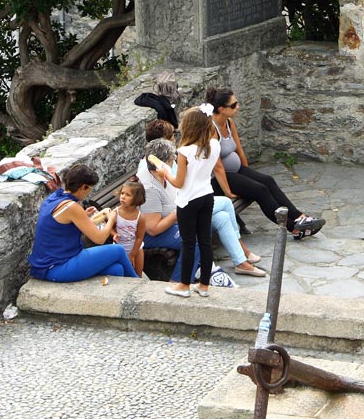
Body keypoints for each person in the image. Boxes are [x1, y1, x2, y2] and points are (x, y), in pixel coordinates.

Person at [205, 87, 326, 239]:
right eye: (234, 105)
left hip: (235, 171)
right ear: (222, 109)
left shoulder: (229, 122)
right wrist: (228, 192)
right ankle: (294, 228)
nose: (238, 107)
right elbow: (217, 166)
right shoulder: (210, 129)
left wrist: (247, 172)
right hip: (218, 179)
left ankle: (299, 217)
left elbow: (239, 150)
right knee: (260, 190)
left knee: (268, 180)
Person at [139, 139, 265, 280]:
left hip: (179, 216)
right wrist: (178, 213)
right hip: (156, 233)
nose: (174, 161)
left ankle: (240, 262)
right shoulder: (150, 188)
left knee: (221, 217)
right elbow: (152, 229)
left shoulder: (163, 173)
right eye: (172, 158)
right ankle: (177, 281)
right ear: (161, 162)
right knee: (195, 238)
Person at [28, 163, 139, 282]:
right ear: (83, 187)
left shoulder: (56, 197)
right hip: (57, 267)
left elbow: (61, 223)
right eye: (89, 189)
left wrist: (84, 215)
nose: (88, 193)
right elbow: (99, 239)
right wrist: (111, 219)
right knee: (119, 250)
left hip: (53, 262)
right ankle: (141, 288)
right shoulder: (72, 207)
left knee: (117, 269)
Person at [157, 105, 226, 298]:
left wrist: (165, 172)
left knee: (188, 243)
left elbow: (179, 183)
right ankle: (204, 285)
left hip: (188, 200)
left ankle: (184, 285)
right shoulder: (214, 146)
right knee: (205, 241)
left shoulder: (185, 151)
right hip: (207, 196)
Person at [112, 181, 146, 278]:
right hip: (119, 248)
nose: (123, 196)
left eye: (128, 195)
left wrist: (132, 255)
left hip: (136, 250)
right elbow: (110, 228)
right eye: (122, 193)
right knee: (122, 274)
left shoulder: (140, 217)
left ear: (136, 199)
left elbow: (140, 238)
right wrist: (114, 234)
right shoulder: (116, 212)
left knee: (138, 275)